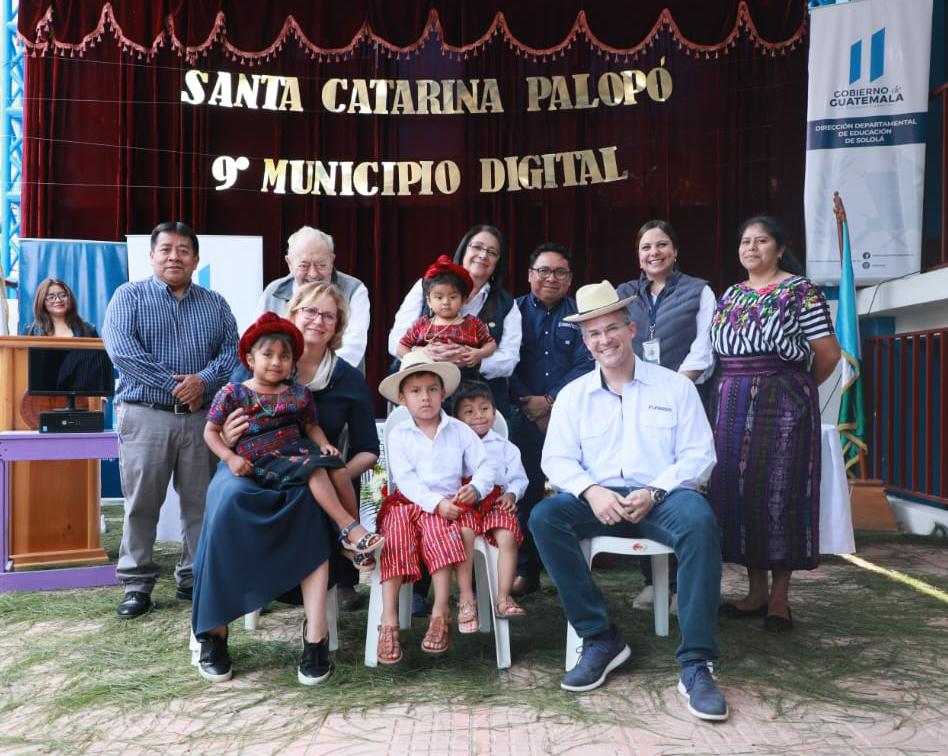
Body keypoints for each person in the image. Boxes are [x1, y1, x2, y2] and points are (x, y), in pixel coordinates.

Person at [530, 280, 728, 721]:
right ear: (586, 342)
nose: (605, 340)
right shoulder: (573, 396)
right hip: (598, 500)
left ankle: (697, 662)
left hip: (662, 497)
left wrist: (656, 491)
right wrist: (591, 491)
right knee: (545, 517)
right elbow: (555, 460)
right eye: (594, 333)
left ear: (631, 329)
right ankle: (600, 637)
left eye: (612, 328)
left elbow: (700, 455)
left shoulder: (674, 387)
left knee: (699, 520)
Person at [191, 282, 380, 684]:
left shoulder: (345, 379)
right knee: (227, 503)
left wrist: (334, 472)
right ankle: (215, 632)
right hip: (245, 467)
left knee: (310, 504)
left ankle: (316, 636)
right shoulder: (248, 371)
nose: (318, 320)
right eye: (310, 311)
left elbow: (368, 449)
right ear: (294, 314)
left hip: (306, 472)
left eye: (328, 315)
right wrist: (229, 445)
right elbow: (217, 428)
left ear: (337, 326)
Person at [709, 216, 841, 632]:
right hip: (731, 403)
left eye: (761, 240)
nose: (751, 247)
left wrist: (795, 388)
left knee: (781, 495)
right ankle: (755, 593)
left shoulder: (801, 291)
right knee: (742, 493)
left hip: (783, 403)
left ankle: (780, 598)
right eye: (745, 241)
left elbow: (829, 354)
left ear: (780, 248)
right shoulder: (731, 294)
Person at [102, 221, 239, 619]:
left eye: (183, 250)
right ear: (152, 255)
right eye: (166, 249)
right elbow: (123, 351)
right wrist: (177, 386)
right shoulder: (129, 296)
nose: (174, 256)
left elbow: (231, 353)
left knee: (201, 503)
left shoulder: (215, 303)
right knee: (141, 503)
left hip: (202, 420)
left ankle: (195, 577)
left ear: (195, 259)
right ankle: (136, 583)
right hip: (146, 415)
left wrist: (203, 382)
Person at [203, 312, 384, 562]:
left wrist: (324, 444)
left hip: (295, 453)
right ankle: (350, 529)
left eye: (284, 356)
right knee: (315, 470)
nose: (276, 362)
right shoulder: (233, 393)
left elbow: (310, 425)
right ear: (250, 360)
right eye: (268, 355)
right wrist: (229, 457)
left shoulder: (298, 393)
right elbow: (210, 431)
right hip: (261, 458)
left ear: (293, 362)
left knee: (339, 469)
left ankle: (351, 540)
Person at [616, 220, 717, 612]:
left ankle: (681, 588)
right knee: (643, 479)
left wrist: (675, 386)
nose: (653, 253)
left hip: (684, 395)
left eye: (661, 245)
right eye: (646, 247)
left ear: (675, 251)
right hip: (635, 400)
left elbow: (704, 345)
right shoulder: (624, 293)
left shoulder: (699, 290)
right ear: (638, 255)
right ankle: (653, 580)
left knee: (680, 486)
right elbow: (615, 341)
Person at [374, 352, 494, 664]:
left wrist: (475, 488)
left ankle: (440, 612)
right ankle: (388, 620)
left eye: (432, 389)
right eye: (415, 391)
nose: (425, 397)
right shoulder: (399, 434)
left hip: (449, 504)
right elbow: (406, 480)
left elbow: (485, 467)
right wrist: (434, 503)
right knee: (395, 533)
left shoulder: (459, 430)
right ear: (403, 399)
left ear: (443, 393)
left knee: (439, 529)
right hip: (409, 502)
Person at [508, 242, 593, 598]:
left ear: (570, 279)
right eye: (543, 270)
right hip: (521, 417)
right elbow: (505, 362)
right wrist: (531, 405)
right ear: (530, 275)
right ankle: (526, 571)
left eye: (560, 272)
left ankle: (572, 574)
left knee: (575, 494)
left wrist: (550, 402)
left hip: (570, 418)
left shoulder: (581, 315)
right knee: (525, 495)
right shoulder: (512, 311)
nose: (551, 278)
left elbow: (586, 363)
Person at [388, 224, 522, 417]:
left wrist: (473, 359)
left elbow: (509, 359)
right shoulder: (426, 285)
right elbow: (395, 341)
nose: (483, 255)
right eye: (477, 247)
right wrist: (422, 355)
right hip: (423, 392)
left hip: (476, 402)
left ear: (498, 262)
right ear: (464, 250)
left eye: (492, 252)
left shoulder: (506, 304)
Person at [453, 380, 528, 627]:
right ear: (457, 419)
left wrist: (512, 495)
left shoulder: (506, 448)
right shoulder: (455, 446)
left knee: (508, 535)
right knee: (463, 534)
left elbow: (518, 478)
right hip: (466, 504)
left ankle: (503, 597)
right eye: (469, 411)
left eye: (484, 409)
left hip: (497, 502)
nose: (478, 416)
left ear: (495, 412)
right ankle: (466, 597)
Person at [258, 225, 370, 371]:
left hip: (338, 377)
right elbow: (258, 343)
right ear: (289, 263)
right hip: (282, 379)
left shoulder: (354, 289)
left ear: (332, 261)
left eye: (321, 265)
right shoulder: (273, 292)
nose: (313, 274)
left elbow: (352, 348)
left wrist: (313, 376)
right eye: (304, 265)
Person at [396, 255, 497, 374]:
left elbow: (491, 344)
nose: (446, 302)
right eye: (439, 297)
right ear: (429, 301)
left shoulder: (473, 323)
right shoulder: (422, 324)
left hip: (466, 378)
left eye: (452, 297)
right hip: (429, 377)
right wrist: (416, 358)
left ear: (463, 300)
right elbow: (401, 347)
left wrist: (479, 354)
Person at [21, 278, 98, 337]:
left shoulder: (89, 330)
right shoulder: (30, 332)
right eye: (51, 297)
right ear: (42, 302)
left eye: (63, 295)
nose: (58, 300)